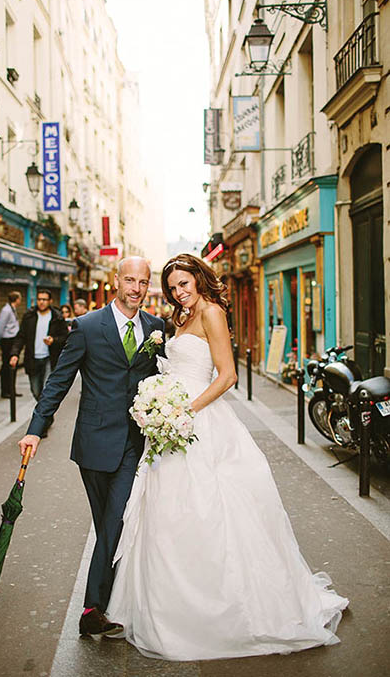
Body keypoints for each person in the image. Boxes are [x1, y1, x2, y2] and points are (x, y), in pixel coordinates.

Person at [106, 254, 348, 661]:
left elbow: (227, 375)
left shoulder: (212, 313)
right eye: (173, 287)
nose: (179, 292)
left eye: (185, 283)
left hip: (200, 420)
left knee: (212, 511)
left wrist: (185, 410)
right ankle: (171, 606)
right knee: (168, 513)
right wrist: (160, 403)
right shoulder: (178, 319)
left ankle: (229, 610)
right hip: (171, 423)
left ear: (199, 280)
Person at [17, 257, 165, 637]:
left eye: (143, 282)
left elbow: (163, 380)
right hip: (95, 443)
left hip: (135, 443)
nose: (136, 287)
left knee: (116, 521)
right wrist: (36, 428)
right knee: (107, 526)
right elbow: (59, 381)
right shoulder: (86, 327)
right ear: (116, 281)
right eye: (130, 279)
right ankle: (111, 598)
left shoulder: (155, 327)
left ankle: (92, 609)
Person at [9, 289, 68, 408]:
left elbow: (65, 337)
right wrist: (15, 354)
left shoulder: (57, 317)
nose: (41, 302)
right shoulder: (29, 316)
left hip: (49, 359)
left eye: (44, 299)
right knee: (36, 391)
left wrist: (54, 341)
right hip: (33, 359)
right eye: (39, 299)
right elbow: (21, 337)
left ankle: (45, 417)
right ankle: (45, 412)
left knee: (47, 390)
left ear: (50, 301)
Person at [0, 291, 22, 399]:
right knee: (6, 366)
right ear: (16, 299)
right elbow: (0, 326)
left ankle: (12, 390)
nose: (21, 301)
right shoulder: (6, 310)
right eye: (20, 298)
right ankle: (5, 390)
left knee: (13, 366)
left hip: (13, 339)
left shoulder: (12, 309)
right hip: (7, 340)